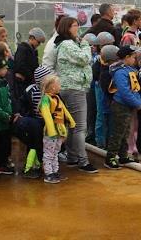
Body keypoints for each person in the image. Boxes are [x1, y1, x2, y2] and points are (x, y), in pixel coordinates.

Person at [54, 17, 98, 174]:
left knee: (73, 126)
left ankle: (73, 157)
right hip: (74, 88)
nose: (78, 28)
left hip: (72, 87)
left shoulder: (65, 44)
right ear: (67, 28)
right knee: (80, 127)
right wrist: (85, 44)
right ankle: (83, 161)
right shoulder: (66, 44)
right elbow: (84, 58)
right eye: (75, 25)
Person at [104, 46, 141, 170]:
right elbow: (124, 91)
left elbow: (135, 89)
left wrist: (137, 101)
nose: (135, 59)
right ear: (127, 57)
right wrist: (136, 103)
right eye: (133, 57)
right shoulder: (120, 72)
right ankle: (110, 157)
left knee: (125, 132)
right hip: (121, 105)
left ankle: (123, 155)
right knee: (118, 132)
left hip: (129, 105)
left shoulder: (130, 70)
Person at [38, 75, 73, 183]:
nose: (60, 86)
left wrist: (71, 121)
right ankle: (49, 173)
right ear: (52, 87)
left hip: (59, 129)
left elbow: (64, 110)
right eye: (58, 84)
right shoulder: (46, 99)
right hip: (51, 131)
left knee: (55, 151)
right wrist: (51, 129)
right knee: (49, 152)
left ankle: (55, 171)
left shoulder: (57, 98)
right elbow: (46, 113)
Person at [13, 27, 46, 97]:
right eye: (38, 42)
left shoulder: (33, 51)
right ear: (32, 38)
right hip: (22, 84)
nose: (39, 44)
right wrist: (32, 76)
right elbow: (20, 66)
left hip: (29, 82)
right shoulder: (23, 49)